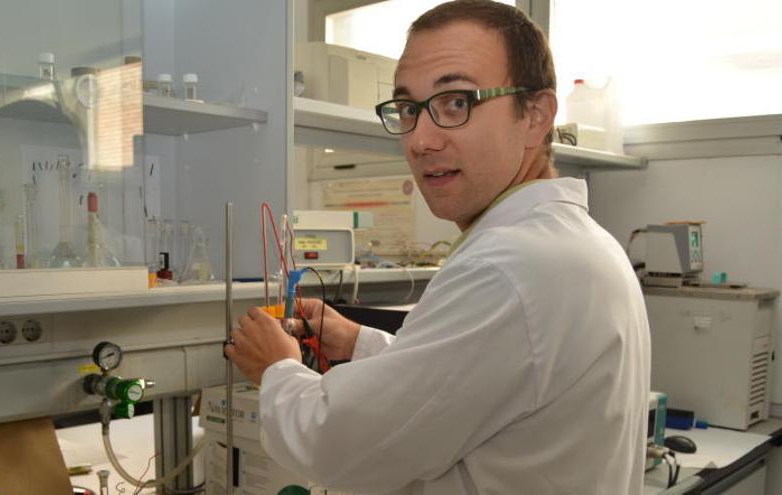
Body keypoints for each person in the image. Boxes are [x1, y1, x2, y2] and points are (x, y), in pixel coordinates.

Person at [224, 1, 651, 493]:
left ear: (535, 116)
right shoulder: (578, 243)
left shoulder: (510, 268)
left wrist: (275, 368)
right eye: (408, 109)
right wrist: (359, 343)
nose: (421, 139)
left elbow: (334, 443)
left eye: (456, 103)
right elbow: (470, 386)